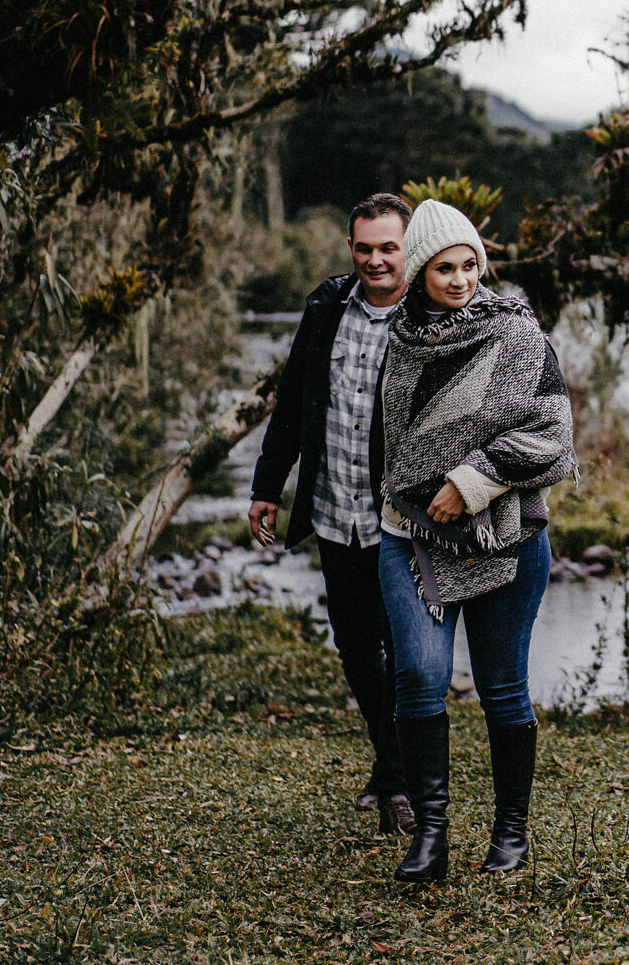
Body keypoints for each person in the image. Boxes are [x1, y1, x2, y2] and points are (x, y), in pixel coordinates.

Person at [376, 198, 576, 883]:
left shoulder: (516, 334)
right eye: (443, 268)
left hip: (507, 538)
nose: (460, 280)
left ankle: (510, 837)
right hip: (410, 537)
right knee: (419, 677)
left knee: (502, 688)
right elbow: (396, 447)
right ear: (418, 272)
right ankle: (430, 839)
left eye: (469, 265)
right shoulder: (400, 341)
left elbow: (555, 432)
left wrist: (473, 478)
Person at [248, 193, 415, 835]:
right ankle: (389, 762)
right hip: (332, 511)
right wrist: (269, 484)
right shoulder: (325, 307)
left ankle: (398, 780)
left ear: (408, 248)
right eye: (365, 247)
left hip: (399, 523)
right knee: (353, 646)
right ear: (352, 248)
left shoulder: (428, 318)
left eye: (389, 248)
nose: (376, 260)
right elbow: (292, 403)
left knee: (401, 651)